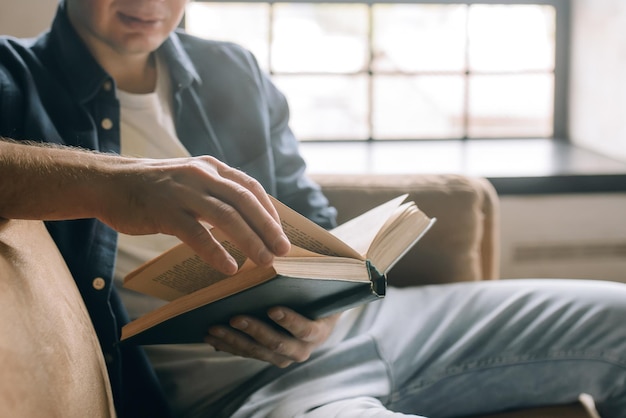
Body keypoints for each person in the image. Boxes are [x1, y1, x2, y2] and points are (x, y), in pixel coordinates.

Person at [1, 1, 625, 417]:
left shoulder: (231, 70)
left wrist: (326, 300)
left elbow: (309, 213)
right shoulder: (15, 76)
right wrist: (120, 183)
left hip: (373, 325)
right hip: (249, 387)